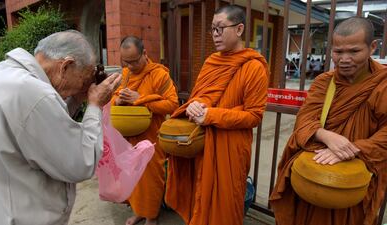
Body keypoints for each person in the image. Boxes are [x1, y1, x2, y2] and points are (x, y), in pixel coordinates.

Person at [0, 30, 122, 225]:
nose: (85, 84)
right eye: (84, 77)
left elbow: (42, 126)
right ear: (65, 66)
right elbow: (80, 163)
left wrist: (75, 100)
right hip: (26, 216)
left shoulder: (2, 75)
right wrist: (95, 106)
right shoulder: (33, 93)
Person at [270, 17, 387, 225]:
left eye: (354, 51)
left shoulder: (382, 84)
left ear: (372, 47)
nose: (344, 59)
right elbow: (304, 119)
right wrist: (326, 136)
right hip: (315, 173)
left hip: (354, 178)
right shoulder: (324, 82)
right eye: (338, 52)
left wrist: (350, 150)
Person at [164, 5, 269, 225]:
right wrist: (193, 105)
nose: (215, 35)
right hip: (203, 143)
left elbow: (254, 116)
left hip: (231, 147)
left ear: (239, 29)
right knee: (201, 197)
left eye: (220, 28)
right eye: (212, 29)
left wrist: (211, 115)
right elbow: (199, 96)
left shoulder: (254, 67)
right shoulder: (211, 62)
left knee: (225, 203)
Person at [111, 36, 178, 225]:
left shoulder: (159, 74)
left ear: (145, 54)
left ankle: (151, 216)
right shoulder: (125, 75)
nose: (131, 66)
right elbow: (115, 96)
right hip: (128, 137)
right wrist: (118, 99)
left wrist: (140, 98)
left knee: (150, 180)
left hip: (151, 138)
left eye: (134, 61)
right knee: (132, 176)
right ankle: (139, 211)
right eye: (127, 61)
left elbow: (172, 104)